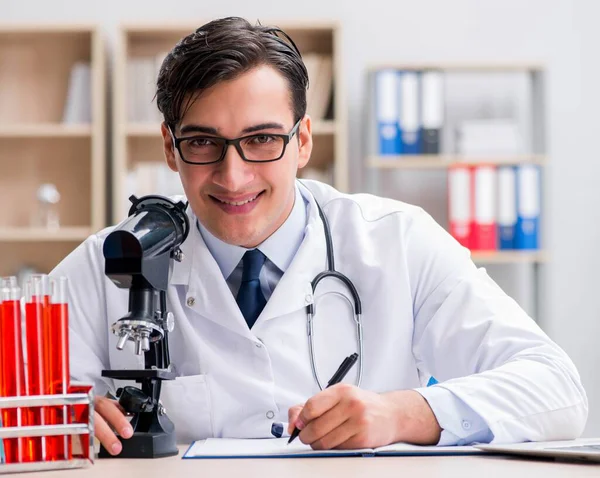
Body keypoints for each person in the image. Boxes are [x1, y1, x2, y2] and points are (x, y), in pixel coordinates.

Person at [51, 16, 587, 456]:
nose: (233, 176)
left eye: (261, 139)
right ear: (170, 148)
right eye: (202, 142)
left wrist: (402, 413)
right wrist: (64, 425)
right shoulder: (108, 263)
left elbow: (556, 389)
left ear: (303, 140)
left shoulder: (397, 242)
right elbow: (18, 410)